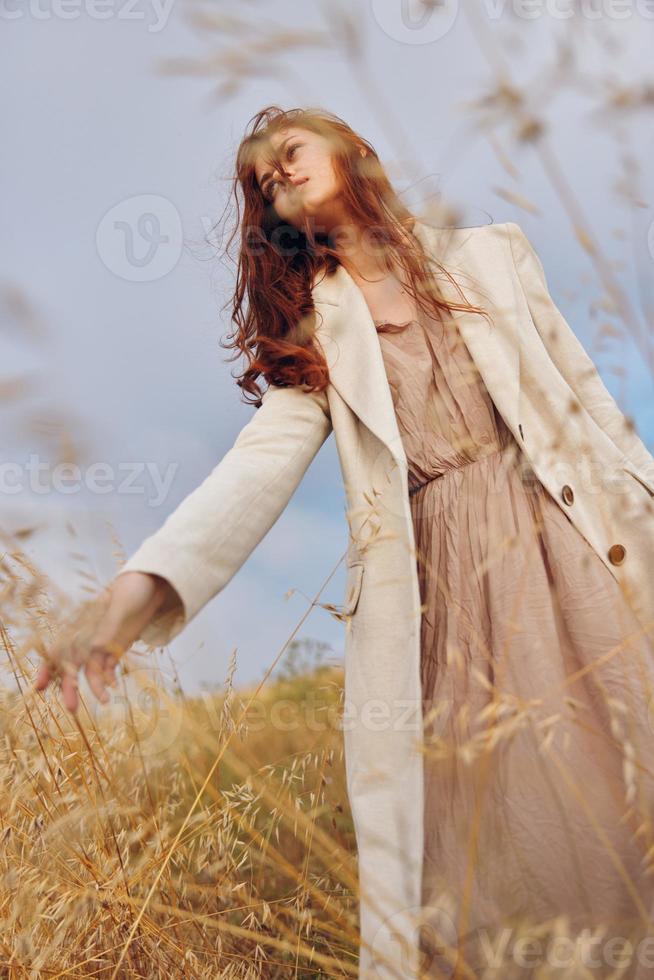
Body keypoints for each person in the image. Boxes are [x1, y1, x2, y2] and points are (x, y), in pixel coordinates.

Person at [33, 105, 654, 979]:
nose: (277, 176)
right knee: (504, 834)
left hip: (575, 544)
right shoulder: (315, 331)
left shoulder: (493, 253)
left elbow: (585, 401)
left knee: (627, 777)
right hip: (452, 598)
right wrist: (138, 592)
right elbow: (255, 468)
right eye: (262, 182)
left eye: (288, 154)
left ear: (351, 150)